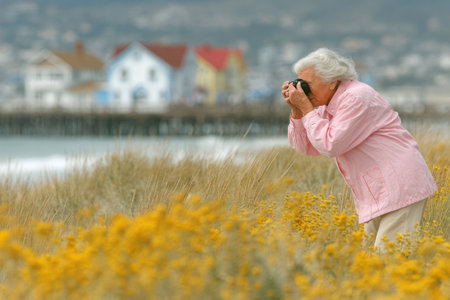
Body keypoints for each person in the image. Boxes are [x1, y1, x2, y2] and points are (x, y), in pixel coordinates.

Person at [282, 48, 437, 249]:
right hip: (381, 190)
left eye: (307, 85)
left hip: (399, 185)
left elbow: (330, 145)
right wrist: (297, 112)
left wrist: (307, 110)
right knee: (369, 262)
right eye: (299, 83)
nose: (302, 90)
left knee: (388, 261)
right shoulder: (329, 105)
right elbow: (305, 147)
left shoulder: (356, 97)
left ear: (331, 81)